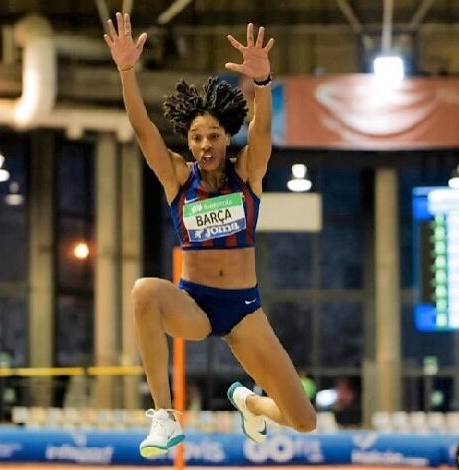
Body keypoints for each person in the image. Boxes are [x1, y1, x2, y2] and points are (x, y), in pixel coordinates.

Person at [103, 12, 316, 458]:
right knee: (143, 292)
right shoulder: (178, 179)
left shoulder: (247, 173)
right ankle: (164, 416)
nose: (205, 145)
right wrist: (126, 72)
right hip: (195, 305)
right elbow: (143, 129)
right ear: (188, 141)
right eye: (197, 137)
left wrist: (263, 83)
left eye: (213, 136)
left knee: (303, 419)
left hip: (244, 310)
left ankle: (249, 402)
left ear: (226, 136)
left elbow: (263, 130)